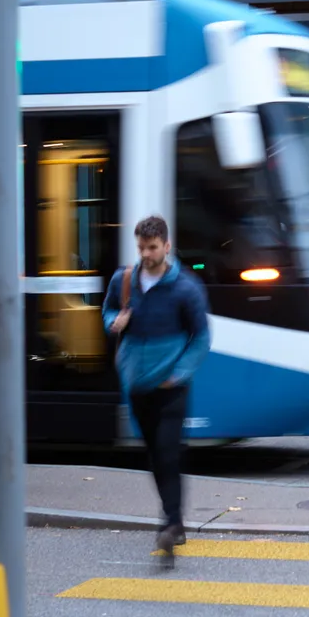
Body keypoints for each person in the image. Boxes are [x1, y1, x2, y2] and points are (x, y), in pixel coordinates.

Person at [102, 215, 211, 562]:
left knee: (167, 451)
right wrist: (112, 322)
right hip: (138, 385)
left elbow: (202, 337)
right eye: (141, 248)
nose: (146, 254)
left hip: (171, 387)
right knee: (156, 455)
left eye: (152, 247)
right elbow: (106, 313)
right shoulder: (124, 281)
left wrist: (178, 374)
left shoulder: (185, 288)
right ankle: (173, 520)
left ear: (167, 246)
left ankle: (170, 523)